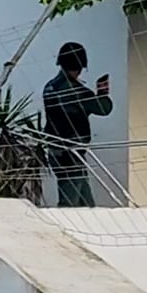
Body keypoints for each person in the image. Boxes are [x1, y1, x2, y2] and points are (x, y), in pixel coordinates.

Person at [41, 41, 113, 208]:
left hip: (56, 150)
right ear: (81, 67)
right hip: (71, 153)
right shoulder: (77, 91)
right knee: (70, 205)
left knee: (85, 204)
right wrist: (102, 91)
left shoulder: (49, 87)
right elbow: (104, 108)